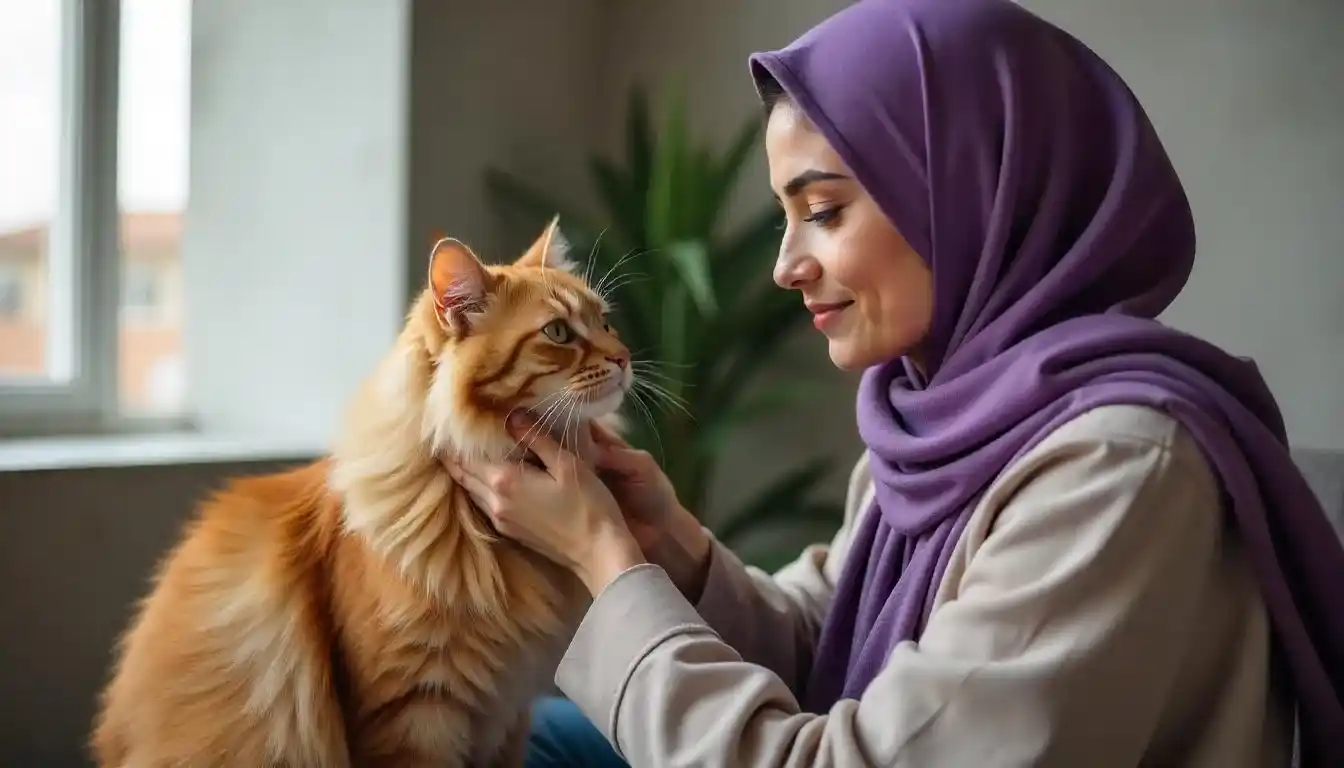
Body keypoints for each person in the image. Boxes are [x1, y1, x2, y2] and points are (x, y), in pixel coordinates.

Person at [446, 0, 1344, 764]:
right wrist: (665, 543)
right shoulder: (940, 415)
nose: (786, 266)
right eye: (786, 218)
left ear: (966, 190)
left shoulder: (1117, 466)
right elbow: (830, 645)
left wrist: (604, 561)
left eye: (824, 211)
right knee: (522, 738)